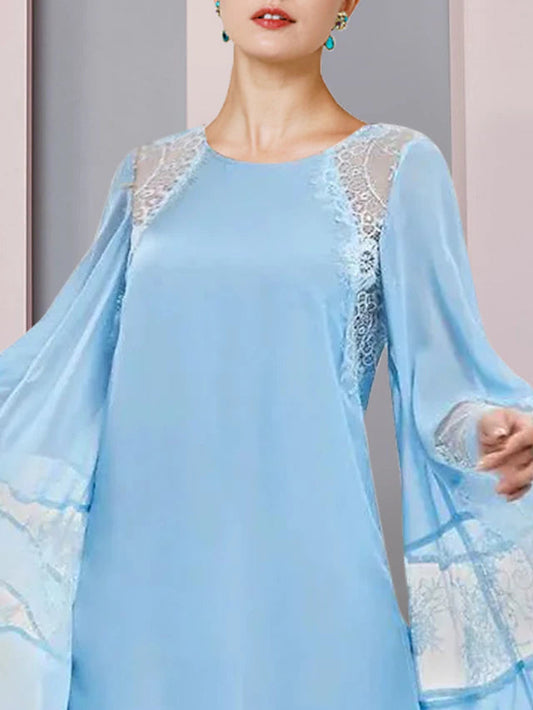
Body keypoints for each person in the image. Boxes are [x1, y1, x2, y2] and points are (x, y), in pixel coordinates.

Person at [2, 1, 533, 708]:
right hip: (133, 613)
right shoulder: (147, 179)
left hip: (312, 595)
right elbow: (56, 375)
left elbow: (447, 391)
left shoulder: (396, 167)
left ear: (346, 4)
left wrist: (490, 431)